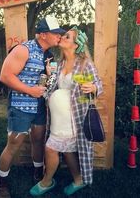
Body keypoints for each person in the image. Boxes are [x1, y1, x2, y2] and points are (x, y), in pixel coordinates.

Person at [0, 15, 66, 198]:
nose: (59, 36)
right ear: (43, 34)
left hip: (39, 107)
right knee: (13, 144)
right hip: (20, 106)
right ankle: (1, 182)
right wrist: (29, 90)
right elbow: (5, 76)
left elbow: (48, 83)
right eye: (55, 33)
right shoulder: (23, 49)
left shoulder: (49, 55)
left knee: (38, 139)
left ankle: (37, 172)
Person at [29, 26, 103, 196]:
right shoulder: (59, 63)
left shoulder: (84, 64)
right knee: (68, 150)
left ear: (76, 45)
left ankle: (46, 182)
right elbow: (49, 87)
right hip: (57, 119)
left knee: (50, 148)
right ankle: (78, 180)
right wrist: (48, 75)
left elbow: (98, 85)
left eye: (67, 37)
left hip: (72, 119)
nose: (62, 37)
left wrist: (93, 87)